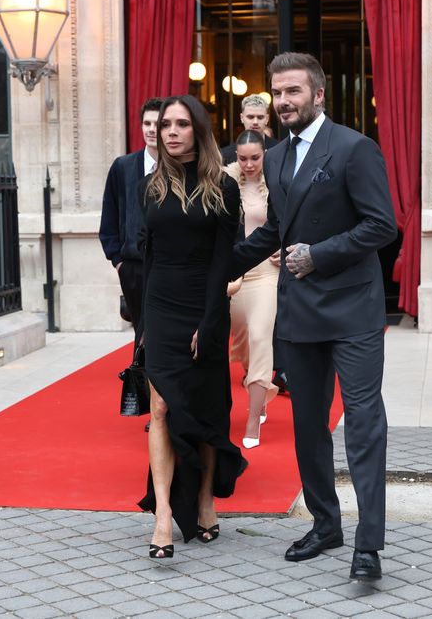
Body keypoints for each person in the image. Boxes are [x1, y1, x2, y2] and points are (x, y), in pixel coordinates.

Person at [232, 52, 397, 579]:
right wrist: (214, 268)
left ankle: (368, 543)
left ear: (318, 95)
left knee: (364, 424)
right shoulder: (276, 158)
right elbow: (272, 233)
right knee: (308, 424)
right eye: (277, 93)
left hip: (353, 309)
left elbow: (381, 225)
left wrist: (317, 255)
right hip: (300, 311)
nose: (283, 102)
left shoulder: (354, 147)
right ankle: (326, 525)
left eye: (293, 92)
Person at [137, 95, 247, 558]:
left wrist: (210, 319)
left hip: (204, 304)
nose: (172, 132)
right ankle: (163, 513)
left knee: (201, 409)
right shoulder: (149, 187)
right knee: (160, 407)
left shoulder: (223, 187)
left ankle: (204, 499)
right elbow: (146, 257)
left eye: (182, 124)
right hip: (160, 305)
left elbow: (224, 262)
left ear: (198, 130)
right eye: (166, 125)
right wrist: (142, 324)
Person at [225, 130, 280, 449]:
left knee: (261, 336)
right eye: (242, 158)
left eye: (255, 158)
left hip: (266, 274)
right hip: (233, 275)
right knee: (243, 345)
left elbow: (291, 220)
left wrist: (285, 247)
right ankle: (256, 386)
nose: (248, 164)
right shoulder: (224, 182)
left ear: (264, 155)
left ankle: (252, 418)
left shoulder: (276, 182)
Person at [100, 99, 162, 346]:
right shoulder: (123, 167)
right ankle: (143, 382)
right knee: (142, 335)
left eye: (157, 124)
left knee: (161, 332)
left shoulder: (180, 169)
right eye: (146, 123)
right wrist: (118, 262)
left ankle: (156, 382)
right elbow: (110, 215)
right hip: (133, 267)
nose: (151, 129)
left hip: (169, 266)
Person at [219, 93, 279, 164]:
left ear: (267, 119)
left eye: (260, 117)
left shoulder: (280, 150)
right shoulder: (225, 154)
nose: (255, 122)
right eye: (250, 117)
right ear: (241, 118)